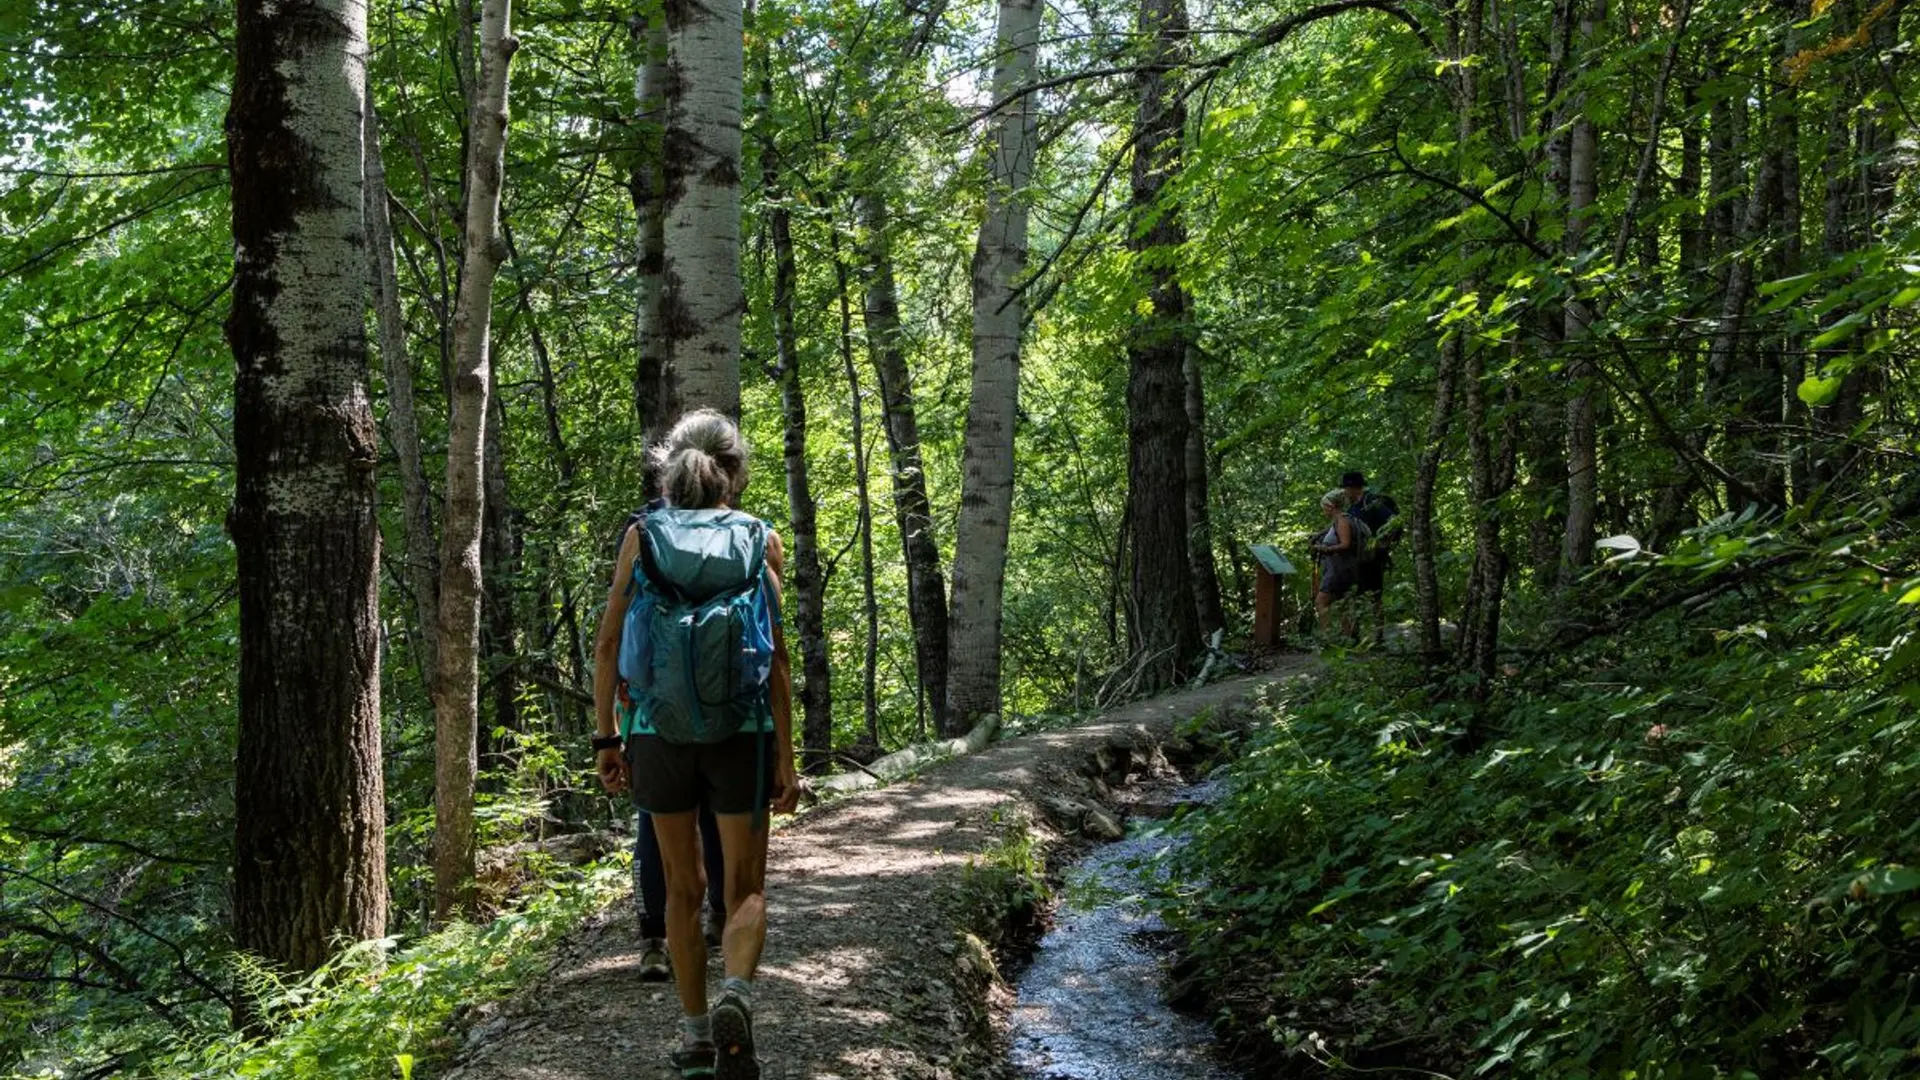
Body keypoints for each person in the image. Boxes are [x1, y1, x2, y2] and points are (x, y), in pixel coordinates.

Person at [593, 410, 801, 1080]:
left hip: (656, 733)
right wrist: (788, 759)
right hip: (742, 732)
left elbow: (606, 645)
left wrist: (607, 737)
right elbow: (778, 660)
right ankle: (735, 993)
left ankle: (693, 1040)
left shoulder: (642, 537)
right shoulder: (758, 539)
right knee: (744, 889)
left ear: (672, 470)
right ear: (732, 475)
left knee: (684, 889)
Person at [617, 496, 729, 981]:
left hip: (651, 718)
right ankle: (720, 916)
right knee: (713, 817)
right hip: (721, 712)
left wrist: (611, 733)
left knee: (653, 827)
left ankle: (653, 940)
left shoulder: (643, 541)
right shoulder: (729, 546)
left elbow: (617, 647)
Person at [1340, 470, 1401, 645]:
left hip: (1374, 559)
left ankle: (1379, 637)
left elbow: (1394, 522)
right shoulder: (1353, 507)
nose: (1344, 492)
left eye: (1346, 488)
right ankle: (1355, 635)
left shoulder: (1373, 502)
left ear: (1353, 487)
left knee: (1375, 596)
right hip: (1358, 559)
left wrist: (1381, 543)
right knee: (1355, 595)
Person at [1311, 489, 1360, 639]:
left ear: (1331, 506)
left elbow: (1345, 544)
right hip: (1341, 569)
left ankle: (1328, 637)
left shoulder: (1342, 521)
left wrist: (1325, 548)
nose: (1323, 510)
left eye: (1324, 507)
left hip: (1339, 571)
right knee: (1343, 602)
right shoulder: (1339, 521)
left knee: (1320, 601)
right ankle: (1349, 637)